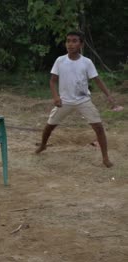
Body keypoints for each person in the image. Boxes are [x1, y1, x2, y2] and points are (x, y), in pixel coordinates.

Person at [35, 31, 115, 168]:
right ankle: (43, 145)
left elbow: (97, 80)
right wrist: (56, 97)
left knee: (99, 127)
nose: (70, 44)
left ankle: (105, 158)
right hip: (64, 101)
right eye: (68, 41)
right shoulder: (60, 60)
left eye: (74, 41)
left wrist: (108, 95)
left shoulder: (86, 62)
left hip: (83, 100)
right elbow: (53, 81)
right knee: (49, 126)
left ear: (81, 44)